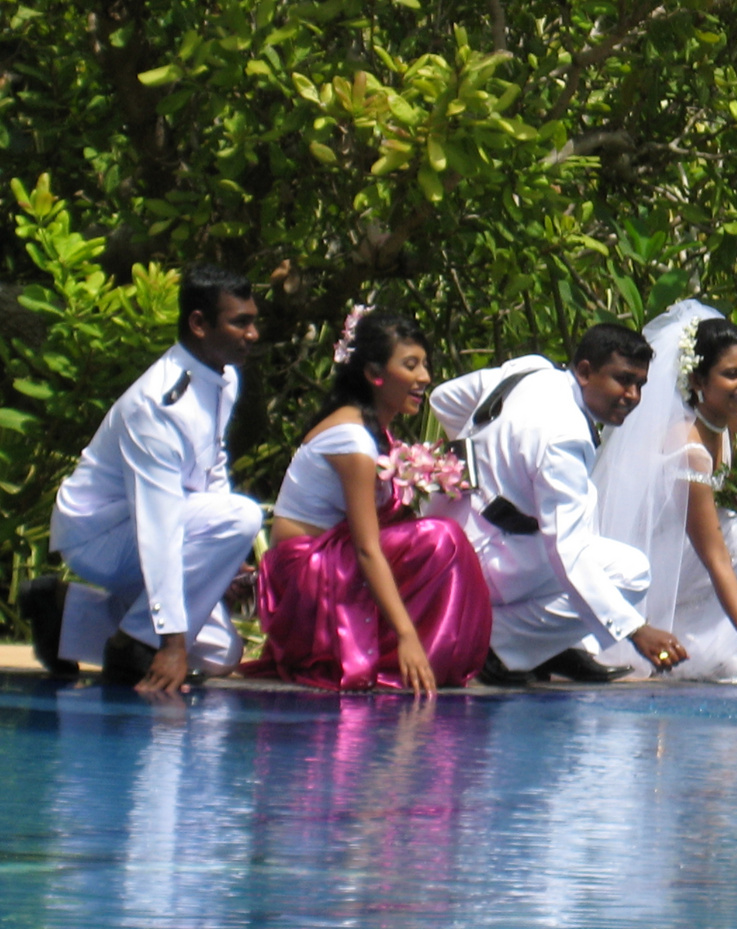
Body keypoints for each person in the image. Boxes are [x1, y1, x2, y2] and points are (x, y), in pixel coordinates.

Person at [19, 263, 263, 692]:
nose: (253, 334)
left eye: (253, 321)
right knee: (242, 517)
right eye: (240, 322)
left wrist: (222, 557)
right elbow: (159, 526)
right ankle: (133, 648)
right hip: (99, 537)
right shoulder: (158, 404)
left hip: (148, 527)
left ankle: (63, 614)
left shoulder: (224, 378)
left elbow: (213, 465)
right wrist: (167, 643)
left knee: (221, 654)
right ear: (199, 324)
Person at [247, 310, 491, 694]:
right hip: (305, 576)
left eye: (425, 365)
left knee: (441, 534)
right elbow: (366, 548)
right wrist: (408, 634)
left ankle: (421, 657)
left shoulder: (376, 432)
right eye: (410, 366)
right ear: (375, 373)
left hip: (332, 562)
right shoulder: (354, 440)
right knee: (440, 539)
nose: (424, 378)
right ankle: (404, 654)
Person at [427, 324, 686, 685]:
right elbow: (569, 553)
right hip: (488, 558)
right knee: (630, 572)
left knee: (592, 516)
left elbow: (443, 397)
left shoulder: (530, 368)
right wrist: (635, 629)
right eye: (623, 380)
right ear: (583, 371)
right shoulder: (565, 436)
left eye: (640, 384)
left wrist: (482, 454)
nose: (632, 395)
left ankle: (541, 646)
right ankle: (494, 643)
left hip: (452, 531)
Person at [594, 301, 737, 689]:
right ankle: (714, 648)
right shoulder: (688, 447)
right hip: (659, 560)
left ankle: (713, 643)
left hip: (687, 549)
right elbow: (714, 556)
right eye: (731, 375)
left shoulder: (726, 425)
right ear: (696, 381)